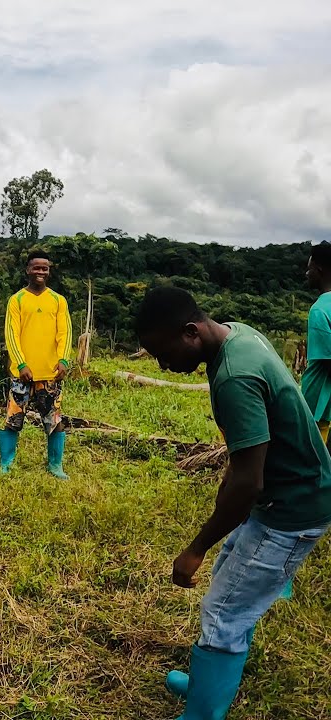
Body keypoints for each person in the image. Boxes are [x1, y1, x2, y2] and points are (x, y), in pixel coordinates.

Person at [135, 286, 331, 720]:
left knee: (225, 611)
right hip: (281, 496)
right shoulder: (238, 334)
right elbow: (247, 462)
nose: (162, 364)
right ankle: (208, 684)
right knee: (230, 582)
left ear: (190, 332)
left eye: (161, 352)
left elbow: (247, 481)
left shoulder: (234, 377)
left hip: (291, 508)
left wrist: (194, 548)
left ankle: (203, 713)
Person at [0, 250, 73, 478]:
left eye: (45, 268)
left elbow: (65, 332)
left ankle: (55, 465)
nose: (41, 272)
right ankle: (6, 464)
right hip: (22, 375)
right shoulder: (17, 300)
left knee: (54, 420)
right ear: (27, 270)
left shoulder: (58, 300)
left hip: (50, 374)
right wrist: (21, 365)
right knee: (13, 419)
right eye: (36, 268)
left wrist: (63, 360)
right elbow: (11, 334)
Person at [302, 241, 331, 444]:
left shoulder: (319, 310)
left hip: (317, 406)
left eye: (309, 268)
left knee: (314, 464)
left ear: (319, 270)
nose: (307, 274)